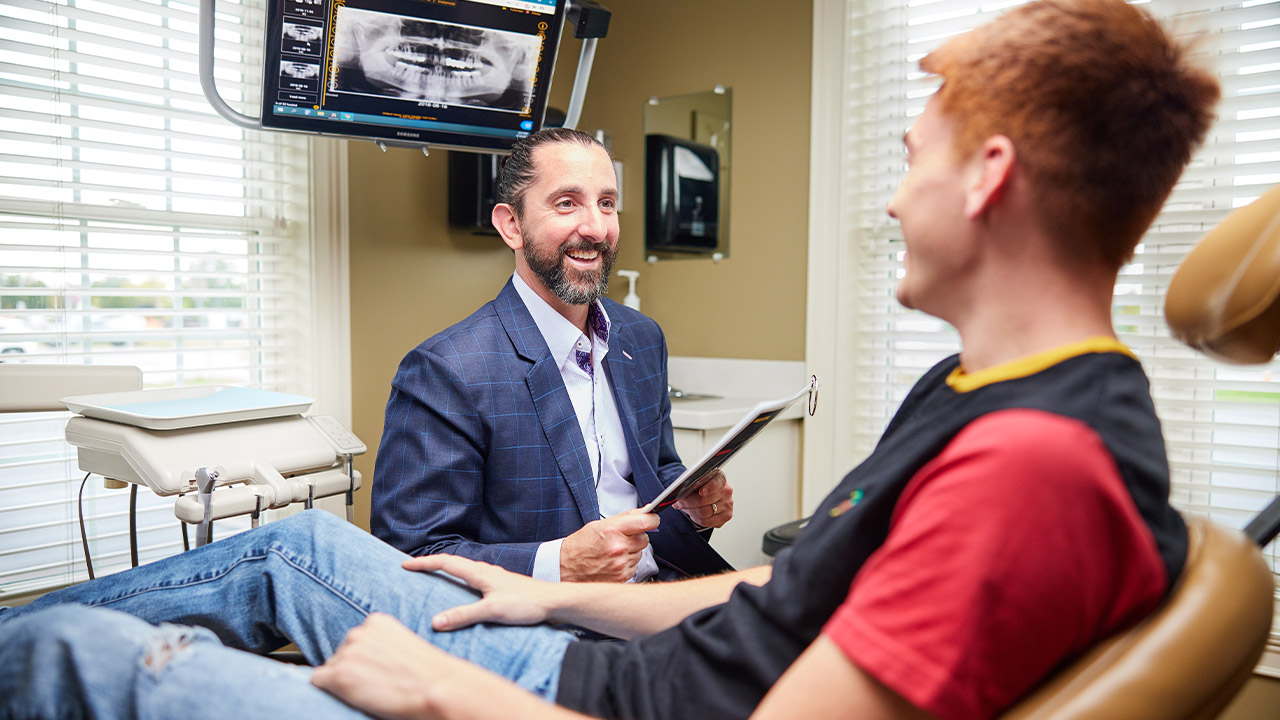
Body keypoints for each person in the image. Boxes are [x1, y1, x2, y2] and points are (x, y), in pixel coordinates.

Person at [0, 0, 1220, 718]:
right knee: (298, 547)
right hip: (605, 646)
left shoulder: (1032, 465)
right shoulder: (981, 391)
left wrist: (449, 692)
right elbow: (793, 601)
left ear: (989, 178)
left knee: (72, 650)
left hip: (569, 700)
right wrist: (554, 587)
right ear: (514, 223)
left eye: (910, 158)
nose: (894, 200)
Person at [370, 128, 734, 583]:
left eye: (606, 203)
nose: (596, 228)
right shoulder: (445, 372)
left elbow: (658, 472)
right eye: (567, 203)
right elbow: (415, 553)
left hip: (667, 595)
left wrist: (694, 509)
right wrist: (558, 565)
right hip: (552, 626)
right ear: (511, 225)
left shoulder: (642, 338)